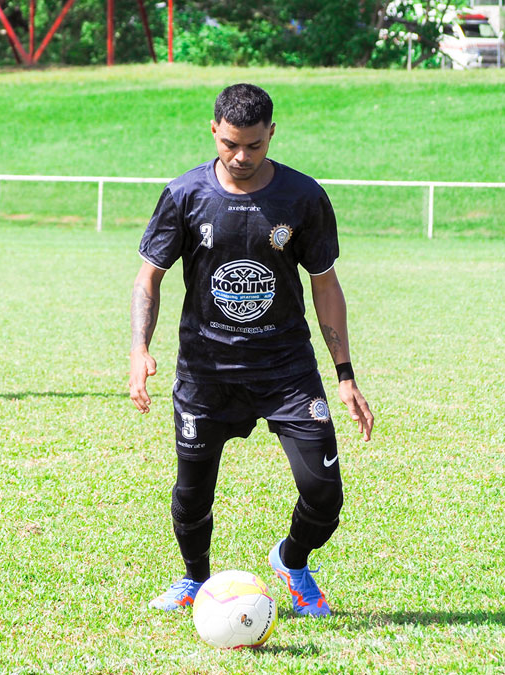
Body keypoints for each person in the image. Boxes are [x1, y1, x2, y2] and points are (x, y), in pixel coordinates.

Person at [128, 83, 374, 617]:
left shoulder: (303, 197)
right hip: (206, 370)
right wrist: (139, 350)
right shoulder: (184, 195)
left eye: (254, 145)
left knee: (325, 495)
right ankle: (195, 578)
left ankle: (292, 560)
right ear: (214, 129)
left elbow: (326, 285)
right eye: (230, 143)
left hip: (286, 370)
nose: (241, 156)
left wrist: (345, 374)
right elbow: (149, 278)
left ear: (272, 135)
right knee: (192, 492)